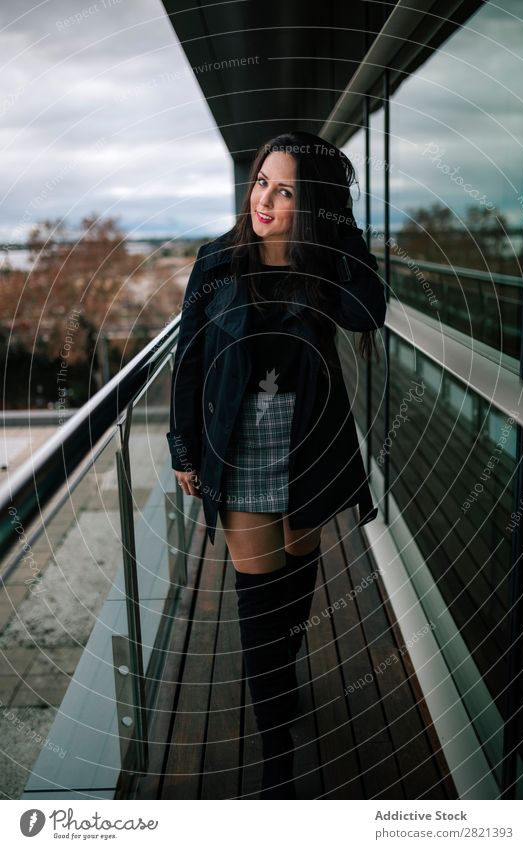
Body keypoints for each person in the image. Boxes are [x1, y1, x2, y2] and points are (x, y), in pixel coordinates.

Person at [167, 130, 387, 798]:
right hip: (238, 447)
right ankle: (274, 758)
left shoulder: (324, 266)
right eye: (262, 180)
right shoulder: (215, 263)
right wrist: (183, 446)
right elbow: (189, 359)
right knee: (259, 608)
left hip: (308, 447)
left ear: (311, 203)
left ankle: (280, 685)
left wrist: (337, 225)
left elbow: (367, 309)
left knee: (295, 586)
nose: (263, 198)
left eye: (286, 189)